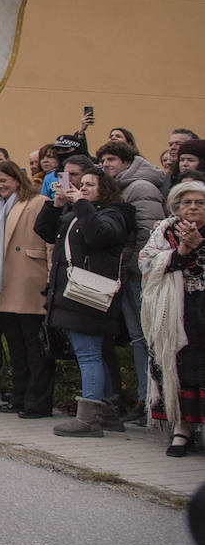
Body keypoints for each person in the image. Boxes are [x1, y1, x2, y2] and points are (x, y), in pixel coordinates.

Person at [34, 164, 133, 437]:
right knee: (90, 354)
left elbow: (98, 235)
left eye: (90, 185)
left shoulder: (115, 214)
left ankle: (88, 420)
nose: (83, 188)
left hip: (88, 296)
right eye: (82, 184)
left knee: (88, 354)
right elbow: (44, 230)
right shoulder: (76, 211)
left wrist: (80, 203)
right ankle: (108, 413)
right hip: (69, 294)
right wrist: (56, 203)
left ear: (105, 190)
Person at [0, 161, 54, 418]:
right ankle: (20, 395)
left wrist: (50, 279)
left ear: (18, 179)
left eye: (5, 180)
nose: (1, 185)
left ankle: (38, 401)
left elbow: (49, 242)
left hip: (28, 280)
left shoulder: (38, 202)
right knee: (15, 346)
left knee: (34, 346)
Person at [97, 140, 167, 423]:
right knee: (138, 339)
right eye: (103, 160)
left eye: (111, 159)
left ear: (127, 161)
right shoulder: (116, 188)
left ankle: (151, 400)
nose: (106, 165)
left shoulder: (141, 187)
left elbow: (147, 234)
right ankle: (143, 398)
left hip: (140, 276)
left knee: (147, 340)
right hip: (124, 274)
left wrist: (130, 266)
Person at [139, 181, 205, 456]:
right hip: (174, 310)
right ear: (177, 206)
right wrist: (181, 253)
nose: (192, 208)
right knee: (178, 365)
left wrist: (199, 246)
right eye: (187, 202)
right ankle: (182, 428)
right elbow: (146, 261)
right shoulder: (164, 230)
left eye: (199, 203)